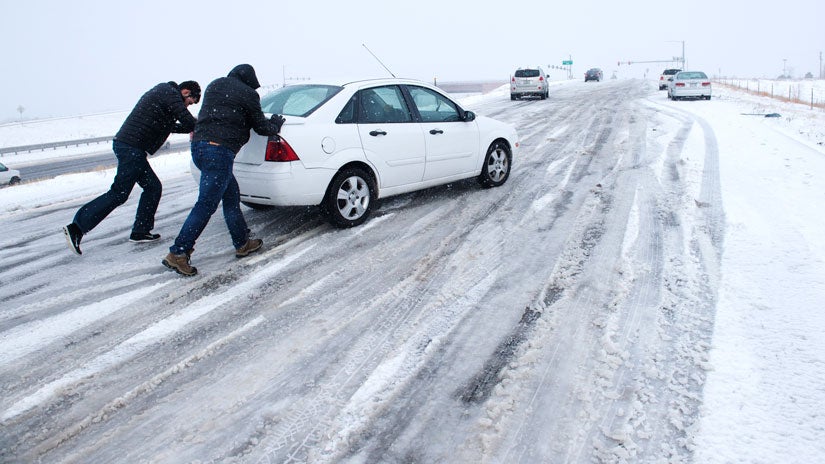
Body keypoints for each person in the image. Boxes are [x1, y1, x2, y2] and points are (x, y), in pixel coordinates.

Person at [162, 64, 285, 276]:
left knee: (231, 197)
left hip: (200, 147)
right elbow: (260, 127)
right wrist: (274, 124)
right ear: (249, 81)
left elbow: (224, 113)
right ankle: (178, 252)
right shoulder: (247, 94)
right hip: (218, 152)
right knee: (206, 204)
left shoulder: (215, 85)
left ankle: (242, 243)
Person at [63, 80, 201, 255]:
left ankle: (140, 231)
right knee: (119, 193)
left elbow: (170, 125)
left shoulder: (165, 96)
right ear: (186, 92)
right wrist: (201, 126)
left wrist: (191, 128)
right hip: (130, 148)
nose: (188, 107)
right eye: (190, 103)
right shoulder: (169, 92)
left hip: (132, 148)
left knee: (153, 187)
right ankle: (77, 227)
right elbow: (186, 119)